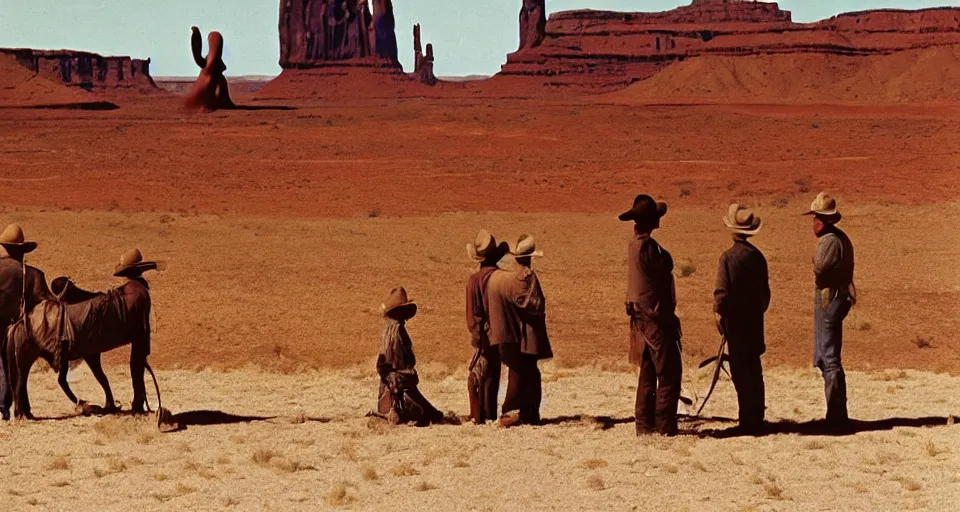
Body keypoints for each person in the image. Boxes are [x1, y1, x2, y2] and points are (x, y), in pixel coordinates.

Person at [620, 194, 683, 436]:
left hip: (640, 319)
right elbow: (664, 269)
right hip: (654, 319)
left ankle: (644, 425)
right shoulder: (649, 248)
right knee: (668, 372)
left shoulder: (634, 245)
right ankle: (664, 426)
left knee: (647, 372)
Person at [713, 204, 770, 433]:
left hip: (735, 323)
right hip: (754, 322)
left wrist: (720, 315)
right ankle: (757, 417)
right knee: (754, 368)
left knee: (740, 370)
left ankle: (747, 420)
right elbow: (765, 295)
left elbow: (721, 294)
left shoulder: (727, 258)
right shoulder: (758, 257)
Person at [487, 234, 552, 427]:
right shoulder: (525, 277)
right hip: (523, 336)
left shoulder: (497, 277)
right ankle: (517, 413)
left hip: (501, 333)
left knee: (516, 372)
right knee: (527, 373)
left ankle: (518, 412)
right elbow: (536, 304)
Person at [805, 192, 855, 427]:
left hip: (830, 299)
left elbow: (820, 268)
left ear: (822, 220)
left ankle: (836, 416)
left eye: (815, 217)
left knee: (829, 356)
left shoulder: (830, 240)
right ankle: (836, 413)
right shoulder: (840, 238)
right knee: (829, 354)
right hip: (837, 298)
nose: (813, 222)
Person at [373, 287, 444, 426]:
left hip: (390, 381)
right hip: (400, 384)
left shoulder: (387, 329)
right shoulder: (398, 330)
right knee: (432, 415)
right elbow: (399, 363)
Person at [0, 224, 50, 420]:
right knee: (12, 365)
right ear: (21, 250)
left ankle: (3, 407)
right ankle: (5, 405)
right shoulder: (32, 274)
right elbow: (46, 303)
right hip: (16, 329)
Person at [465, 230, 508, 424]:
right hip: (501, 332)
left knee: (481, 371)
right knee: (493, 372)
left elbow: (471, 313)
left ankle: (479, 414)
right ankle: (489, 413)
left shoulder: (473, 280)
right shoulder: (502, 278)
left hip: (482, 332)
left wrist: (476, 334)